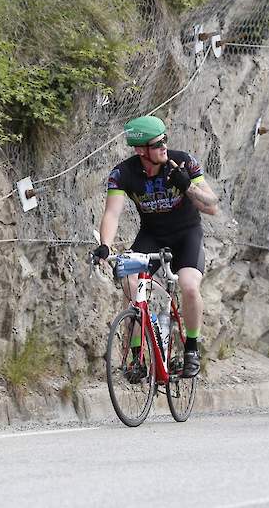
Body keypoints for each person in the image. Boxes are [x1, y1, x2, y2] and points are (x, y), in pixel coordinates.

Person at [93, 116, 220, 378]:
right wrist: (105, 246)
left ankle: (192, 349)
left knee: (189, 285)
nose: (164, 146)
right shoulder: (123, 173)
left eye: (165, 139)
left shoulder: (181, 161)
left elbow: (212, 205)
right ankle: (137, 356)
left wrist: (187, 186)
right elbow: (112, 214)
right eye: (156, 143)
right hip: (152, 235)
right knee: (129, 281)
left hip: (187, 234)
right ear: (140, 151)